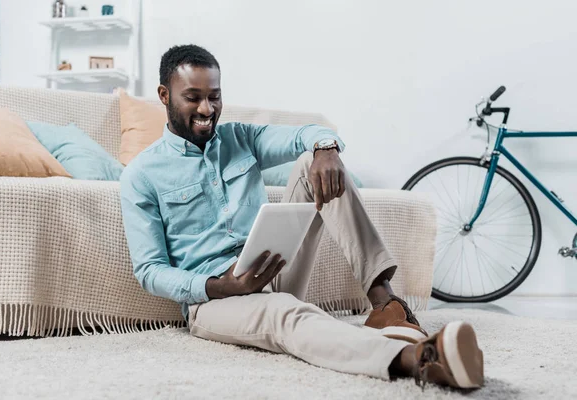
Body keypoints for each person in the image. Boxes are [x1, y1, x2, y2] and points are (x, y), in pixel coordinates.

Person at [120, 44, 484, 390]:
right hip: (214, 301)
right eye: (193, 97)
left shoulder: (240, 137)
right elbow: (149, 271)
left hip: (274, 270)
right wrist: (220, 286)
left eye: (214, 96)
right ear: (165, 95)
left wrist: (326, 149)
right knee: (285, 313)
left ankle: (385, 305)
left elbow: (310, 133)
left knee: (314, 161)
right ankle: (419, 359)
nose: (206, 108)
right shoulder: (141, 175)